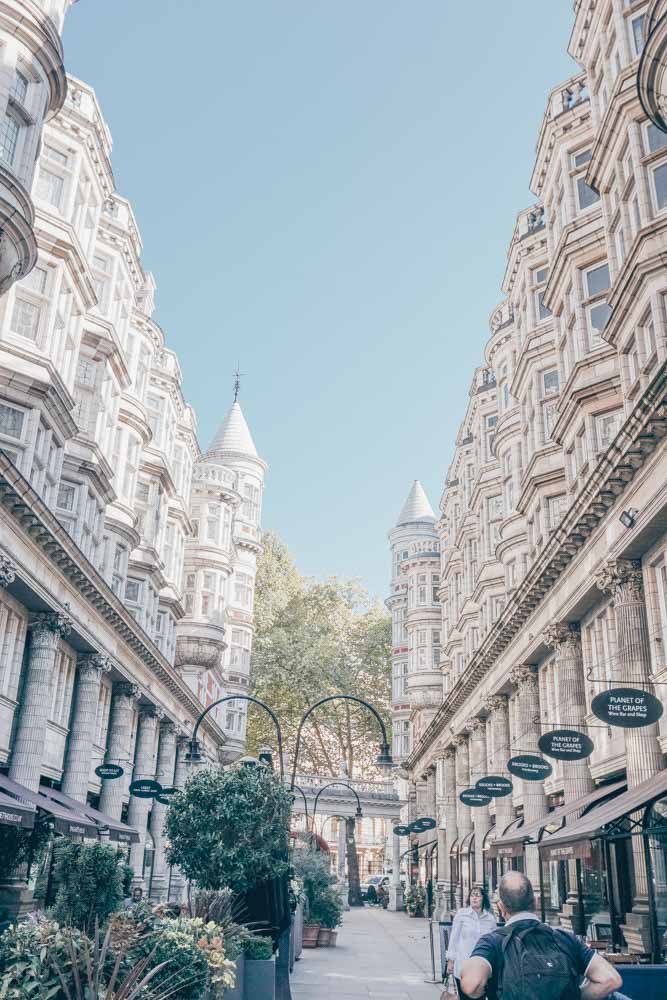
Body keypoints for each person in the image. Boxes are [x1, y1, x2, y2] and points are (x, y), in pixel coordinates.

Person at [460, 871, 623, 1000]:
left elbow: (472, 985)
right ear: (535, 902)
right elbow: (611, 979)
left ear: (501, 907)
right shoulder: (565, 939)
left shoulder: (493, 942)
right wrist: (574, 995)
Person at [446, 888, 497, 999]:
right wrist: (450, 960)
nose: (474, 898)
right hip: (463, 963)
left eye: (478, 895)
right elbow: (454, 939)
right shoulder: (462, 915)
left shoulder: (490, 919)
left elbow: (494, 943)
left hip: (481, 966)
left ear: (484, 899)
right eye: (472, 895)